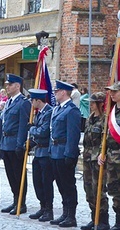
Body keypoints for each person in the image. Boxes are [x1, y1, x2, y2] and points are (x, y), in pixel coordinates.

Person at [49, 80, 81, 227]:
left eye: (56, 91)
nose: (54, 93)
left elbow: (73, 135)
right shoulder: (57, 109)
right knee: (61, 184)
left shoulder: (72, 110)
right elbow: (53, 132)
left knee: (68, 184)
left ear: (63, 92)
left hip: (64, 152)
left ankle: (71, 216)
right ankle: (65, 212)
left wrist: (70, 154)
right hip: (55, 151)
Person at [0, 74, 31, 215]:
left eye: (10, 85)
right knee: (10, 175)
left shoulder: (23, 102)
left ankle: (21, 203)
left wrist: (20, 144)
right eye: (7, 84)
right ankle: (15, 199)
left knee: (18, 174)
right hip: (6, 142)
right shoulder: (9, 102)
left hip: (15, 143)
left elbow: (23, 126)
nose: (7, 87)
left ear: (17, 86)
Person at [81, 92, 109, 230]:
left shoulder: (105, 120)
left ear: (100, 103)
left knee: (99, 190)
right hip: (87, 159)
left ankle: (103, 221)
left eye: (93, 102)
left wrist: (101, 154)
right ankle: (94, 218)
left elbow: (107, 142)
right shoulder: (89, 118)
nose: (90, 105)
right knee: (88, 190)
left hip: (98, 160)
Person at [27, 89, 54, 222]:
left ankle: (49, 209)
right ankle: (42, 206)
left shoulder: (49, 112)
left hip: (46, 152)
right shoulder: (38, 114)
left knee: (46, 182)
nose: (31, 103)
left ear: (38, 100)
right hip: (38, 151)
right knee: (37, 181)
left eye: (32, 100)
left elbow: (43, 132)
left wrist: (31, 128)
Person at [98, 82, 120, 230]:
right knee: (113, 189)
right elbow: (104, 135)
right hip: (111, 157)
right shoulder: (111, 112)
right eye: (110, 92)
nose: (111, 94)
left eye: (115, 92)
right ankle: (117, 221)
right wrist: (102, 151)